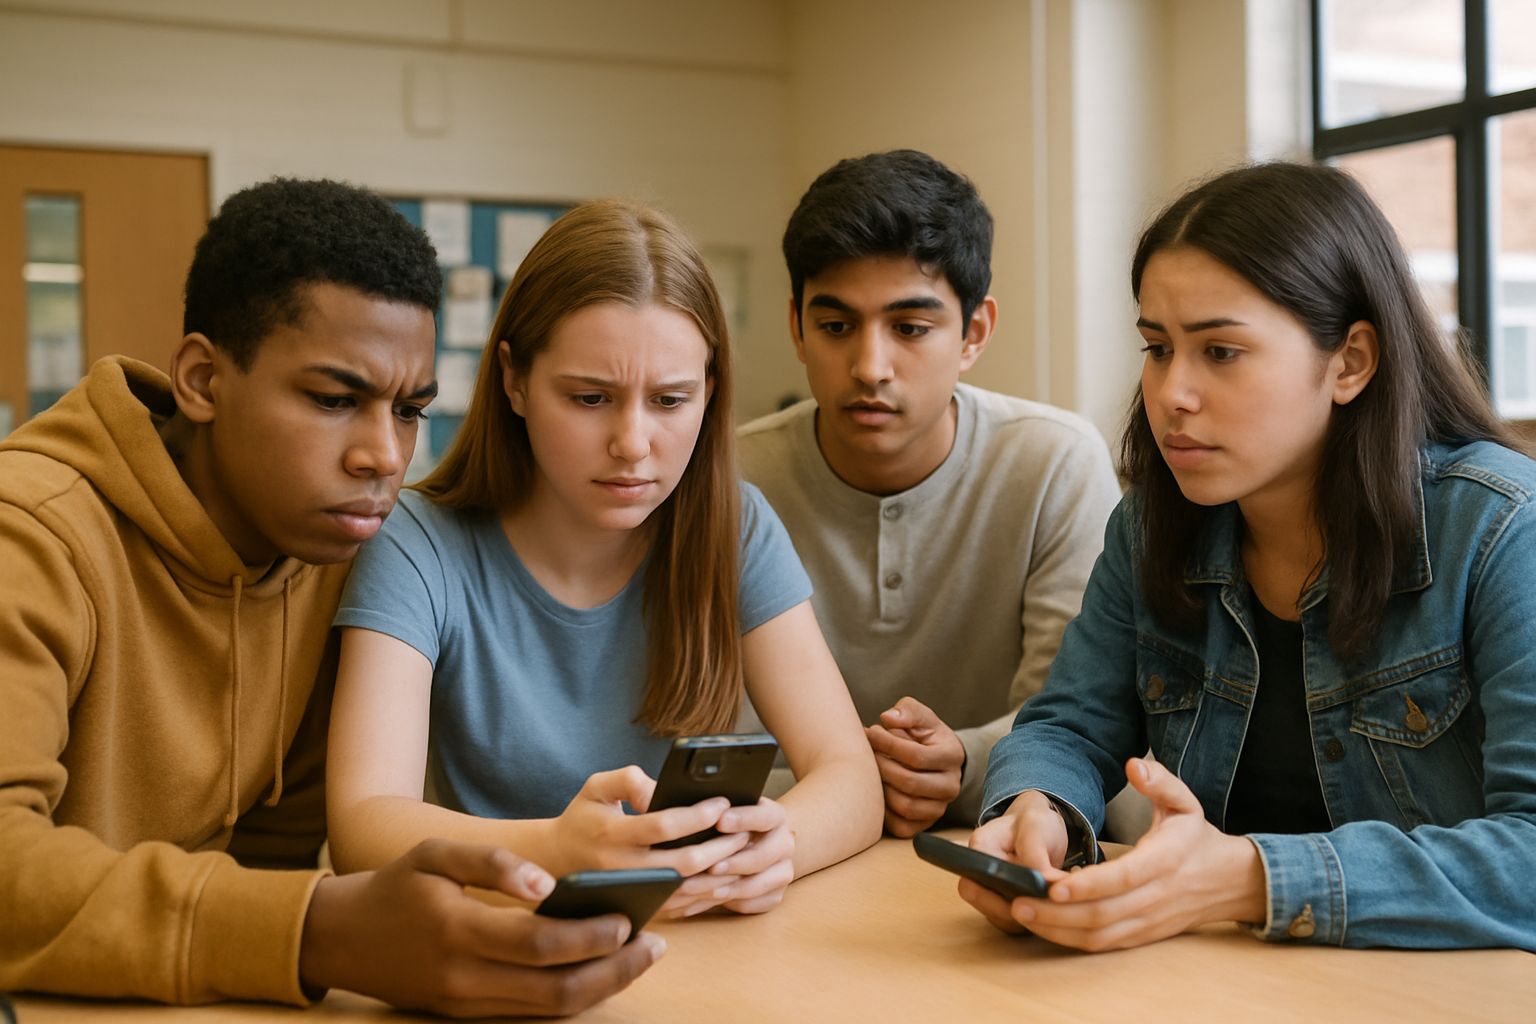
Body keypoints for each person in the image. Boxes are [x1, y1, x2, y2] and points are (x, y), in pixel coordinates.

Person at [0, 178, 662, 1017]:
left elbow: (269, 863)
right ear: (202, 379)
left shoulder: (334, 556)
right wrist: (318, 933)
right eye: (334, 400)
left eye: (410, 410)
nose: (383, 456)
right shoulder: (30, 536)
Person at [964, 161, 1536, 951]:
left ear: (1350, 362)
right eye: (1157, 347)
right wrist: (1037, 808)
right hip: (1231, 982)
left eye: (1221, 351)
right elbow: (1069, 725)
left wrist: (1249, 878)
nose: (1172, 393)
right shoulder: (1152, 526)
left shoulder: (1501, 529)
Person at [325, 199, 882, 917]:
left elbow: (850, 777)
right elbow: (363, 825)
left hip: (696, 939)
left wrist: (781, 845)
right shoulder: (418, 541)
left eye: (671, 400)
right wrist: (559, 850)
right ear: (514, 380)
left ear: (709, 392)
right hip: (505, 937)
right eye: (590, 398)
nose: (632, 444)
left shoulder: (736, 526)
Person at [737, 150, 1122, 834]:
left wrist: (967, 763)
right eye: (835, 327)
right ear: (797, 327)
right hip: (785, 844)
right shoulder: (730, 478)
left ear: (974, 333)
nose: (870, 367)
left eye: (910, 328)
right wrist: (848, 787)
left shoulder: (1053, 463)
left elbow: (1080, 717)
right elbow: (709, 732)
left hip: (1000, 837)